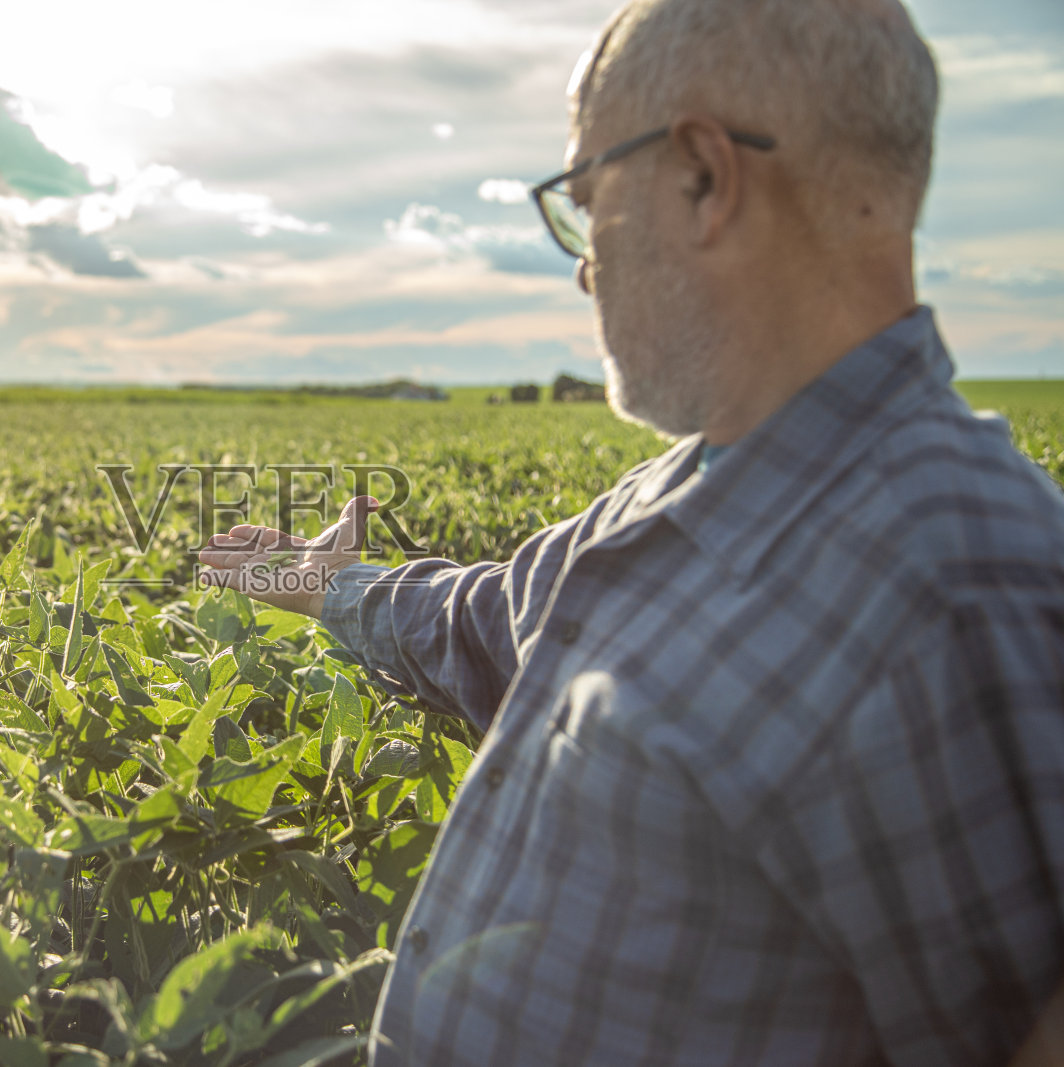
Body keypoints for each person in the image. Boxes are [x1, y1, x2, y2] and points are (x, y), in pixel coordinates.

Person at [196, 0, 1064, 1063]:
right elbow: (483, 624)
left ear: (703, 176)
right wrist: (320, 587)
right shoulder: (678, 498)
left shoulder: (960, 583)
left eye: (584, 200)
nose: (581, 264)